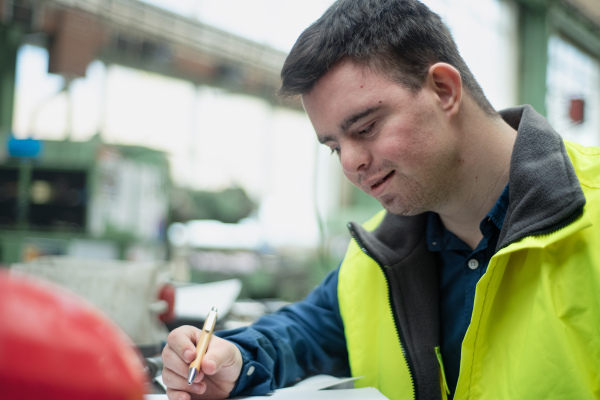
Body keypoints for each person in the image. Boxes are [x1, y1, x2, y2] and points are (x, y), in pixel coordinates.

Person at [161, 0, 600, 399]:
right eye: (334, 146)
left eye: (366, 127)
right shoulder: (377, 259)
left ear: (444, 89)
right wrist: (232, 357)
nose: (350, 163)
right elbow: (303, 332)